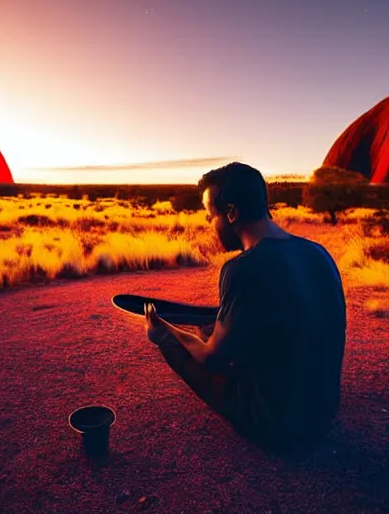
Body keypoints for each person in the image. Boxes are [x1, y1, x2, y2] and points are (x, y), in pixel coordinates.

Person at [145, 162, 347, 451]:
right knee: (214, 332)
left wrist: (167, 332)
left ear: (231, 213)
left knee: (184, 349)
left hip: (279, 425)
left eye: (210, 215)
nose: (209, 224)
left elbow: (211, 359)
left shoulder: (241, 267)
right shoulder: (319, 252)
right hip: (324, 412)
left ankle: (161, 339)